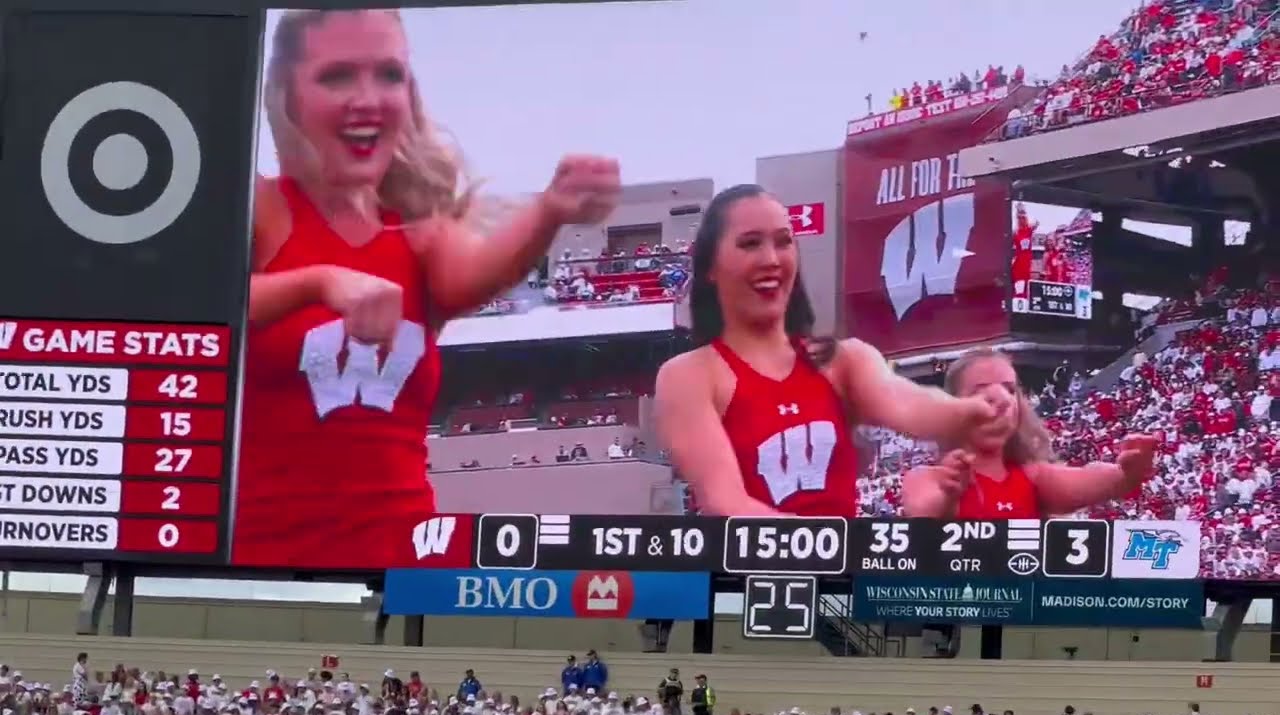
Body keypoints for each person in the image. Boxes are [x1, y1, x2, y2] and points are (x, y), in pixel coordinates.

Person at [234, 8, 620, 567]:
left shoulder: (416, 226)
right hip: (252, 565)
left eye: (388, 75)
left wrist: (549, 210)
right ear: (287, 95)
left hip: (399, 562)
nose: (366, 98)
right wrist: (317, 283)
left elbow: (472, 277)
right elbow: (193, 308)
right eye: (337, 75)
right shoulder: (261, 207)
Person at [653, 184, 1000, 516]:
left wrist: (972, 409)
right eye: (750, 243)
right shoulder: (689, 375)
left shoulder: (842, 361)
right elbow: (727, 503)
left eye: (784, 242)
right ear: (711, 266)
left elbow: (910, 406)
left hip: (841, 575)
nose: (772, 259)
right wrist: (825, 549)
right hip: (746, 574)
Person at [901, 348, 1156, 519]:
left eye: (1010, 390)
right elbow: (923, 509)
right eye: (979, 391)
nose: (1000, 400)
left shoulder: (1032, 476)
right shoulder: (926, 477)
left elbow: (1087, 479)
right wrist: (949, 494)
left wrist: (1125, 474)